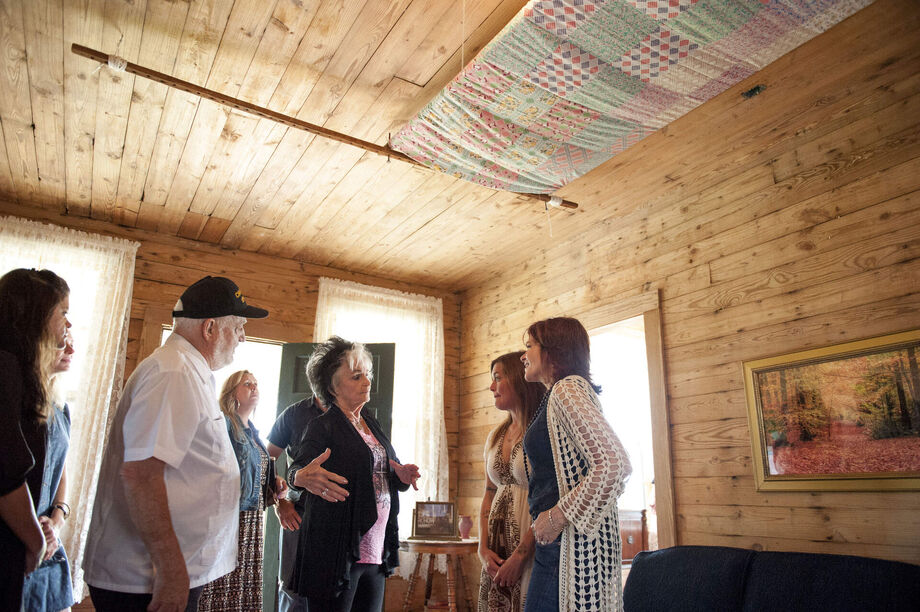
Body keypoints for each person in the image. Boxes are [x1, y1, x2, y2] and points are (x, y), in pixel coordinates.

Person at [83, 276, 268, 612]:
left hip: (162, 573)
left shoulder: (189, 370)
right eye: (238, 325)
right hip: (145, 579)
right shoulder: (173, 373)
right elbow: (142, 475)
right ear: (210, 328)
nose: (243, 336)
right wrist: (170, 570)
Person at [287, 336, 421, 612]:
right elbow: (295, 470)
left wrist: (401, 476)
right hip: (336, 551)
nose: (367, 382)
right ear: (332, 387)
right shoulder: (322, 426)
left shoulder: (370, 421)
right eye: (356, 376)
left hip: (375, 547)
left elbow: (381, 472)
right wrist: (300, 478)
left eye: (368, 375)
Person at [521, 317, 632, 612]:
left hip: (568, 545)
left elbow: (614, 463)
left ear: (553, 351)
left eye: (529, 346)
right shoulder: (558, 394)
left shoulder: (567, 389)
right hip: (561, 545)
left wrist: (556, 517)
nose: (523, 355)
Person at [0, 269, 70, 610]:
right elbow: (6, 471)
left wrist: (55, 520)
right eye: (63, 314)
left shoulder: (25, 378)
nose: (68, 327)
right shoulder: (5, 368)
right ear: (37, 315)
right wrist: (36, 540)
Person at [199, 371, 285, 611]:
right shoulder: (224, 423)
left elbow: (251, 472)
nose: (254, 387)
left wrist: (275, 483)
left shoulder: (254, 432)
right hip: (229, 516)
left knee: (245, 589)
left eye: (256, 384)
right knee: (219, 585)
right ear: (232, 392)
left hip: (252, 519)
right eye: (247, 384)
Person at [478, 351, 544, 612]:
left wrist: (520, 556)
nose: (492, 387)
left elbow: (552, 497)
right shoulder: (496, 435)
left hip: (531, 545)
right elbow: (488, 492)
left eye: (497, 378)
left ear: (518, 379)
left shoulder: (539, 432)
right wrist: (483, 548)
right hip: (495, 548)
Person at [22, 332, 77, 612]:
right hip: (19, 541)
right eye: (63, 340)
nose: (71, 348)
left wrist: (56, 521)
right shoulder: (16, 402)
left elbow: (62, 470)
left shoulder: (61, 406)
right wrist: (36, 532)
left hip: (49, 543)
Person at [267, 390, 329, 612]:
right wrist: (279, 502)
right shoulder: (293, 414)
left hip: (339, 518)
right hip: (297, 514)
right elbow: (267, 461)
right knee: (293, 595)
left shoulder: (354, 413)